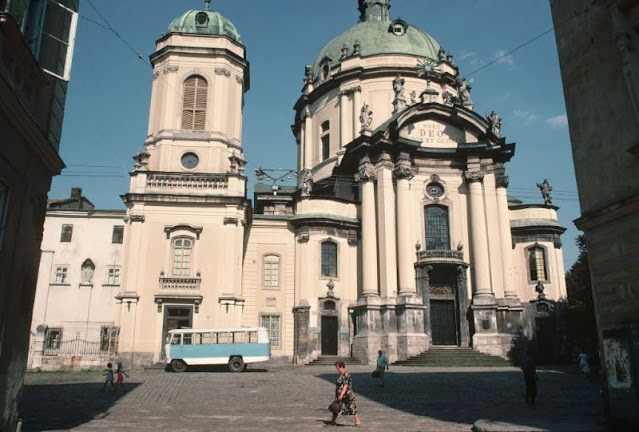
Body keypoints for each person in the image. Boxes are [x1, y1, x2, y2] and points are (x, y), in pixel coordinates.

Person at [328, 360, 361, 427]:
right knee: (336, 407)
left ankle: (358, 421)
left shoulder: (346, 374)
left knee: (351, 407)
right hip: (342, 395)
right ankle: (333, 421)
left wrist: (341, 394)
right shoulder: (341, 375)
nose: (337, 369)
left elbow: (346, 385)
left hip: (347, 395)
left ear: (342, 367)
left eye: (337, 368)